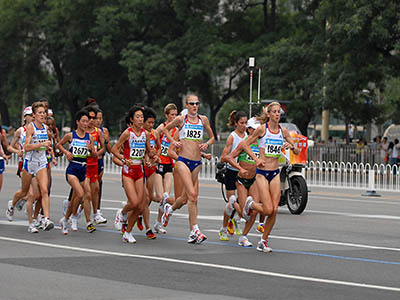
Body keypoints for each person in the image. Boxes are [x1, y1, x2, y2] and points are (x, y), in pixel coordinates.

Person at [242, 102, 299, 252]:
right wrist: (256, 159)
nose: (277, 114)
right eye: (274, 112)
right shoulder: (262, 129)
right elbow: (245, 145)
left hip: (275, 173)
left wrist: (291, 146)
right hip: (262, 173)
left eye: (279, 112)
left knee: (274, 210)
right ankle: (251, 204)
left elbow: (297, 150)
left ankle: (263, 241)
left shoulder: (283, 131)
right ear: (268, 114)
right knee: (267, 210)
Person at [161, 94, 215, 244]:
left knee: (186, 199)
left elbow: (212, 137)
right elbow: (165, 130)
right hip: (183, 161)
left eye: (197, 103)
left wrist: (206, 145)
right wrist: (173, 141)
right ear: (186, 105)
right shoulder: (181, 120)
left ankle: (169, 209)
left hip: (196, 163)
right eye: (191, 103)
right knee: (192, 195)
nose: (194, 106)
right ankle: (195, 230)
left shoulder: (203, 120)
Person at [7, 101, 56, 233]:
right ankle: (12, 205)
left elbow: (47, 144)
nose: (42, 115)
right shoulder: (30, 128)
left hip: (41, 163)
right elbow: (27, 147)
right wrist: (41, 145)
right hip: (29, 163)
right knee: (24, 193)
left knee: (43, 191)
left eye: (43, 112)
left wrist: (49, 149)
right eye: (39, 113)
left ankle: (46, 219)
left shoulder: (45, 128)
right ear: (34, 115)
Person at [112, 106, 155, 243]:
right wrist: (124, 160)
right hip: (128, 172)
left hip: (140, 171)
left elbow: (148, 153)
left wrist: (149, 160)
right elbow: (114, 149)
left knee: (140, 206)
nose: (140, 119)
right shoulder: (127, 133)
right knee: (135, 202)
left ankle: (128, 232)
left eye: (142, 117)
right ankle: (122, 213)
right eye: (137, 117)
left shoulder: (146, 134)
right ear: (132, 119)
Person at [57, 110, 97, 234]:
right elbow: (59, 145)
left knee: (76, 197)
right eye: (83, 121)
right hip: (72, 169)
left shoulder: (89, 137)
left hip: (83, 170)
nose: (86, 124)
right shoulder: (70, 135)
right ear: (77, 122)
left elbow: (94, 155)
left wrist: (91, 149)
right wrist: (66, 153)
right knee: (80, 194)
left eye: (87, 121)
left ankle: (65, 219)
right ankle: (74, 217)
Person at [223, 117, 261, 247]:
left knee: (255, 211)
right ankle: (234, 203)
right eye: (254, 130)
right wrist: (240, 168)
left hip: (254, 179)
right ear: (249, 130)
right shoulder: (244, 143)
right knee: (245, 214)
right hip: (241, 180)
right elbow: (228, 157)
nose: (257, 132)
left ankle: (243, 237)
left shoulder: (261, 143)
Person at [218, 110, 248, 241]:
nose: (244, 125)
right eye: (241, 123)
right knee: (231, 203)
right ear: (236, 123)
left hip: (243, 173)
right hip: (231, 171)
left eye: (246, 123)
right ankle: (223, 229)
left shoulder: (248, 136)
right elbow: (223, 157)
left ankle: (236, 220)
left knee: (243, 202)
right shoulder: (232, 137)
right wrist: (228, 159)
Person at [153, 103, 178, 234]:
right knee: (159, 197)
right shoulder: (161, 128)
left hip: (169, 165)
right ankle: (144, 198)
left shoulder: (177, 131)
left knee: (165, 196)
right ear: (166, 115)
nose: (173, 117)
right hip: (158, 164)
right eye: (171, 115)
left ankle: (158, 223)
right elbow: (153, 141)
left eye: (175, 115)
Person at [141, 107, 160, 239]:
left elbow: (158, 148)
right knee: (146, 197)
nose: (151, 125)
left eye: (153, 123)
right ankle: (148, 228)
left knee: (148, 200)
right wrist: (144, 159)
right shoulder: (139, 134)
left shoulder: (155, 133)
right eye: (149, 122)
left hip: (152, 168)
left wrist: (157, 156)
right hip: (140, 169)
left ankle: (137, 214)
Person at [86, 106, 106, 226]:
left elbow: (106, 148)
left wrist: (97, 153)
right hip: (84, 163)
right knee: (83, 192)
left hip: (97, 162)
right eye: (92, 118)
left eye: (98, 118)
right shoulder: (82, 131)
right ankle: (71, 212)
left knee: (96, 188)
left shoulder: (100, 132)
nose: (95, 121)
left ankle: (96, 213)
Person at [95, 107, 111, 223]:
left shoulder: (104, 131)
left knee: (98, 186)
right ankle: (74, 209)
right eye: (96, 118)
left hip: (100, 161)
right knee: (87, 189)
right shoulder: (88, 130)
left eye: (100, 118)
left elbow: (109, 148)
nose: (98, 121)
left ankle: (97, 212)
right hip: (89, 162)